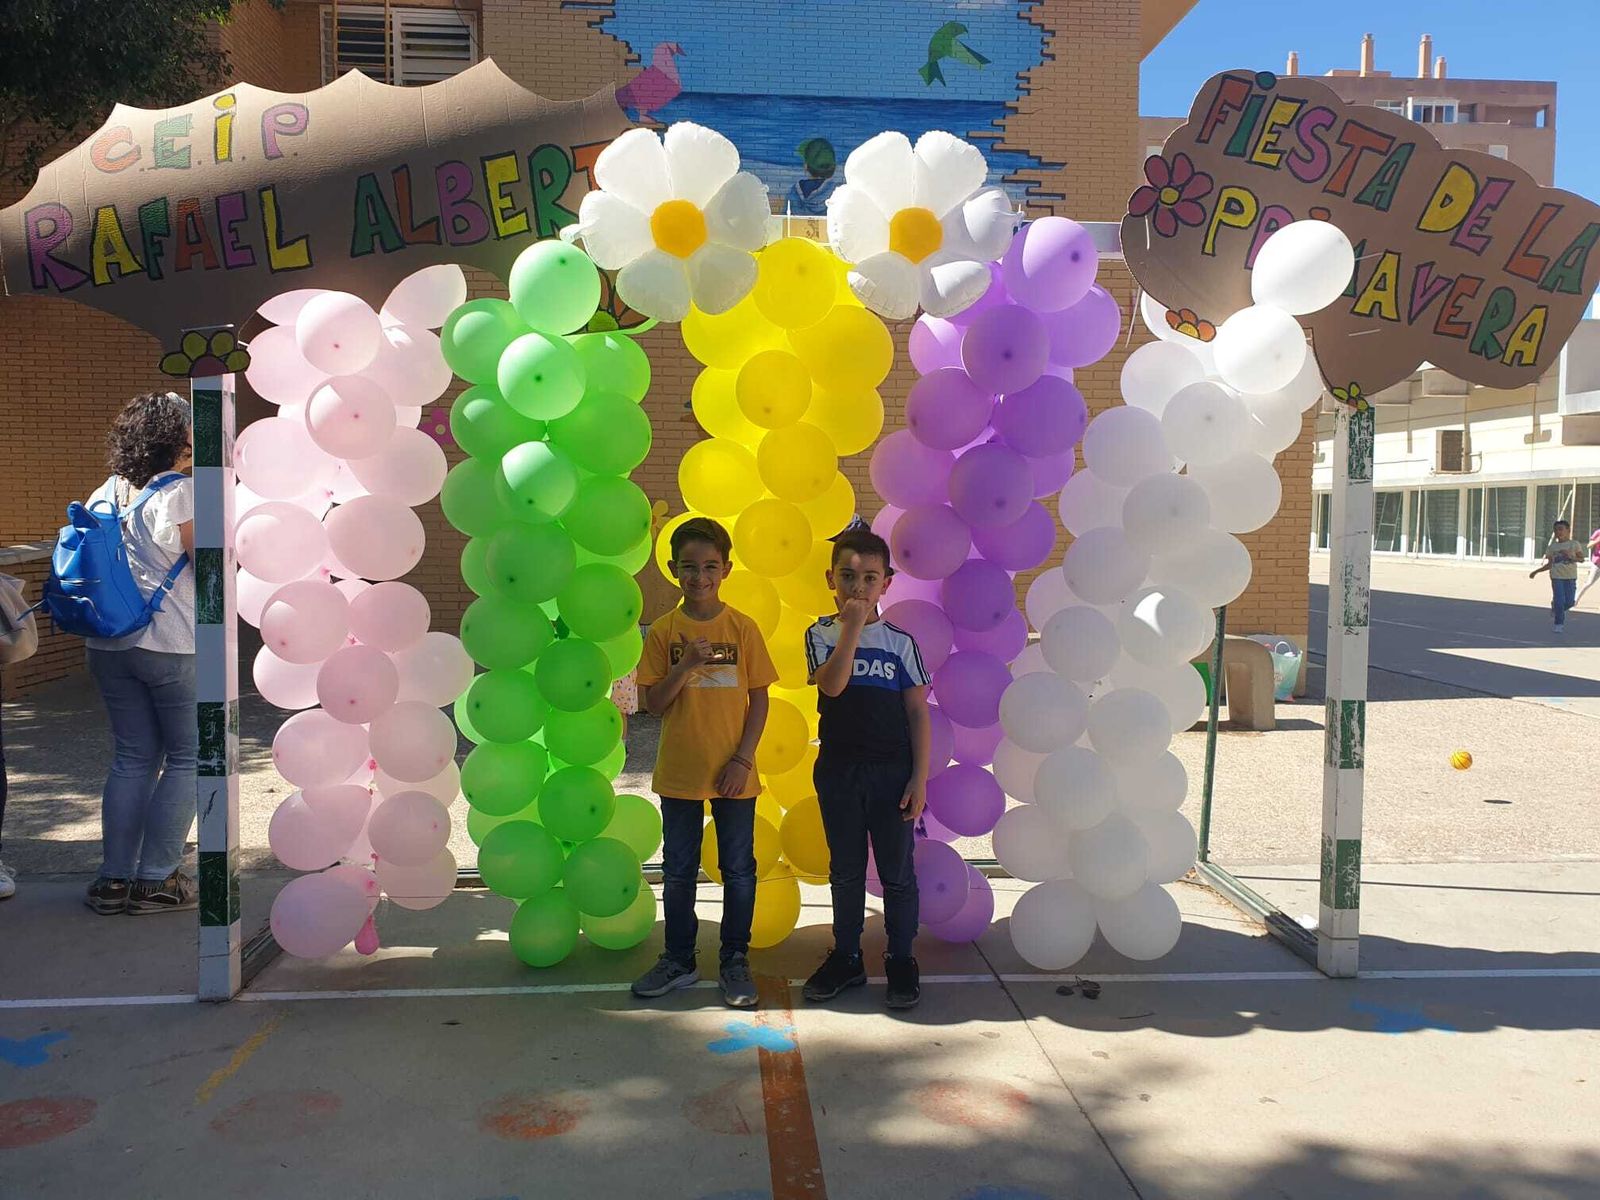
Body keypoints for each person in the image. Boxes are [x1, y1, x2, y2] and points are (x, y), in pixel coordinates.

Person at [631, 517, 776, 1008]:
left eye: (710, 566)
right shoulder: (664, 631)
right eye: (689, 567)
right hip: (680, 772)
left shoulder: (743, 627)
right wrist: (687, 665)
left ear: (726, 569)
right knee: (678, 870)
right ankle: (678, 960)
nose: (699, 577)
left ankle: (735, 960)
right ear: (672, 570)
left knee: (738, 870)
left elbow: (760, 701)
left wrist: (743, 759)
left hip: (735, 772)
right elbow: (653, 704)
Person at [801, 529, 931, 1010]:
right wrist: (852, 628)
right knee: (846, 870)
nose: (858, 587)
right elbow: (832, 688)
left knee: (897, 873)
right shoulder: (820, 633)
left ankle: (900, 957)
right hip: (839, 771)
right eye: (848, 577)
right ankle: (848, 956)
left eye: (869, 578)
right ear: (830, 579)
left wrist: (918, 778)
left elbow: (918, 712)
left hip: (892, 774)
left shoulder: (902, 643)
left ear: (887, 584)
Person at [83, 392, 198, 915]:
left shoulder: (104, 493)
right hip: (168, 642)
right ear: (177, 441)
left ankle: (112, 881)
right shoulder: (181, 494)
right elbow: (210, 564)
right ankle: (155, 880)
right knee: (189, 758)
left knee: (132, 758)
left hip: (106, 643)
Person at [1529, 518, 1584, 632]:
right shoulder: (1552, 547)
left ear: (1568, 530)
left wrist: (1571, 556)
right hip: (1556, 577)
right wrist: (1536, 572)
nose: (1558, 532)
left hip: (1570, 577)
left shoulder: (1574, 544)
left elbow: (1581, 559)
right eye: (1556, 530)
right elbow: (1549, 564)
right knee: (1559, 600)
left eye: (1560, 529)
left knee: (1569, 602)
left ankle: (1556, 609)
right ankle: (1559, 623)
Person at [1575, 527, 1600, 609]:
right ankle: (1575, 599)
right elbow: (1588, 545)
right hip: (1597, 562)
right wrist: (1597, 540)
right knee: (1589, 582)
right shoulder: (1598, 532)